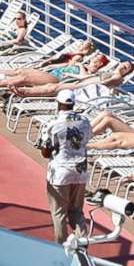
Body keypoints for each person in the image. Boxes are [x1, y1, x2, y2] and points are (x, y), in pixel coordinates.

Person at [40, 91, 93, 244]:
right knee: (76, 212)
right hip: (80, 171)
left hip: (60, 173)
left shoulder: (52, 123)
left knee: (59, 213)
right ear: (73, 104)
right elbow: (86, 141)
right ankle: (81, 243)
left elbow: (45, 152)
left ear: (59, 104)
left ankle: (60, 247)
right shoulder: (85, 121)